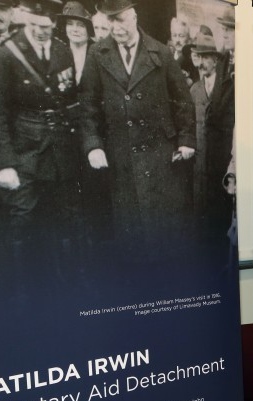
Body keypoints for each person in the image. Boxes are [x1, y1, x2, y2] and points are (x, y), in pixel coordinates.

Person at [79, 0, 195, 265]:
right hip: (121, 157)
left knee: (165, 228)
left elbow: (183, 100)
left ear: (134, 18)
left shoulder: (161, 52)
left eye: (120, 20)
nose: (115, 28)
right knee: (130, 229)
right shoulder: (98, 54)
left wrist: (186, 140)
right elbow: (88, 106)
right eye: (110, 22)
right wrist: (94, 145)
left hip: (161, 156)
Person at [0, 0, 84, 299]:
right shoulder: (4, 53)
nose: (41, 32)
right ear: (25, 21)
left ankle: (62, 292)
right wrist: (5, 163)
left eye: (47, 27)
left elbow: (69, 98)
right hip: (23, 151)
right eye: (35, 26)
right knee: (23, 220)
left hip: (61, 150)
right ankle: (24, 297)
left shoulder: (63, 51)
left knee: (64, 220)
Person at [189, 32, 234, 252]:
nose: (202, 61)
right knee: (201, 210)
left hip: (220, 160)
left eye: (206, 56)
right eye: (199, 56)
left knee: (220, 209)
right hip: (199, 163)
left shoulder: (228, 88)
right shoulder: (194, 90)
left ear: (215, 60)